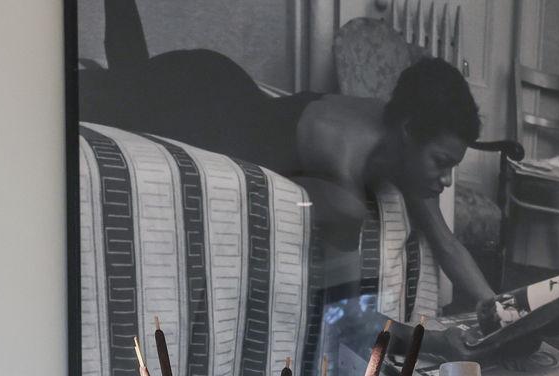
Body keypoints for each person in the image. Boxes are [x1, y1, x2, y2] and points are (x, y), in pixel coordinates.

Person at [79, 0, 497, 306]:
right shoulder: (343, 161)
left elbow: (446, 243)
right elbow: (348, 309)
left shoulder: (404, 130)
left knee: (127, 73)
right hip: (194, 103)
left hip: (229, 85)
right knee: (104, 87)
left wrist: (494, 307)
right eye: (441, 164)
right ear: (409, 133)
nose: (443, 181)